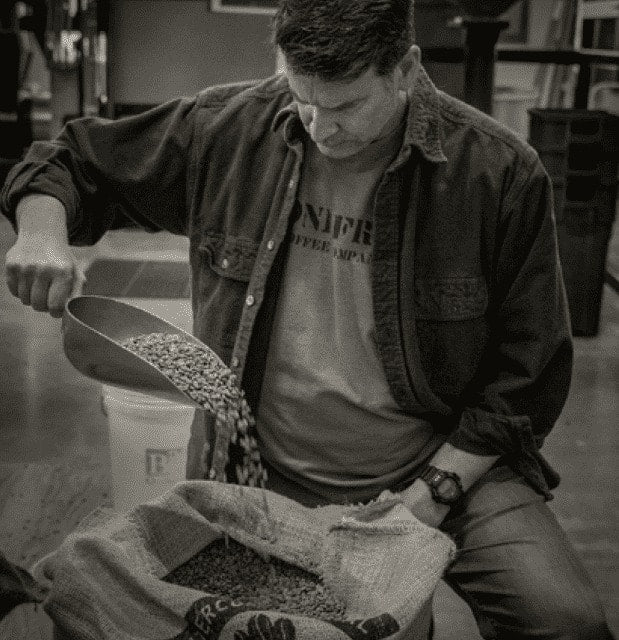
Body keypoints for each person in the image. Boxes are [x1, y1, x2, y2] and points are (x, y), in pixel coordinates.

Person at [1, 1, 614, 638]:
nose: (320, 129)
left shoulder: (496, 174)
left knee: (567, 621)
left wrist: (430, 497)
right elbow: (70, 159)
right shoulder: (234, 130)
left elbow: (527, 371)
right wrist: (41, 233)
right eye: (303, 98)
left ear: (404, 70)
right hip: (262, 471)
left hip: (441, 464)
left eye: (346, 108)